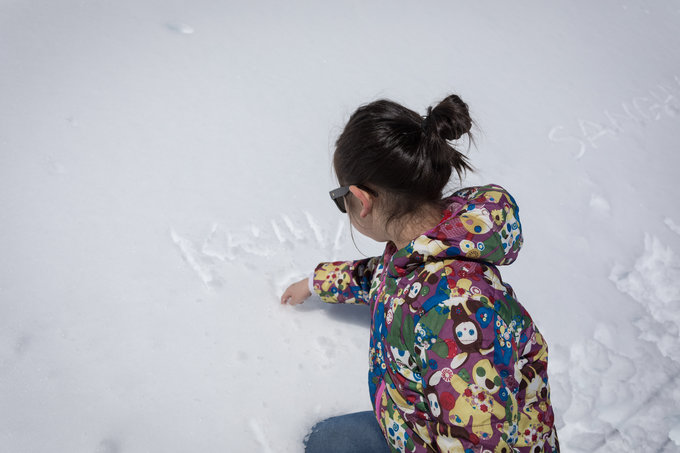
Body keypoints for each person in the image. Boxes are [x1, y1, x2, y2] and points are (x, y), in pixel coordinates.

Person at [280, 95, 559, 452]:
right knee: (323, 440)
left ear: (362, 200)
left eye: (341, 198)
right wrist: (315, 283)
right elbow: (380, 277)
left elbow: (480, 442)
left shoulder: (456, 315)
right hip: (411, 426)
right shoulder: (422, 246)